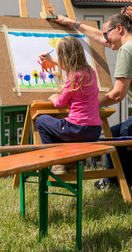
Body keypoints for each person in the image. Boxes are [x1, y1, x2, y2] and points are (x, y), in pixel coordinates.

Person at [52, 12, 132, 187]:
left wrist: (90, 104)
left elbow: (117, 95)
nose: (106, 39)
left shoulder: (127, 51)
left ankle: (116, 183)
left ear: (119, 29)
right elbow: (101, 37)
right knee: (116, 132)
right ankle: (116, 182)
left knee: (120, 134)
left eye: (108, 34)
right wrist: (72, 23)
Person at [35, 36, 102, 175]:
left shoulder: (74, 76)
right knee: (60, 125)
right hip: (94, 131)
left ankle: (56, 162)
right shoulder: (91, 72)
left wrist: (54, 97)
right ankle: (72, 164)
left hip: (77, 129)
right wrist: (51, 60)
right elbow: (70, 66)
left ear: (64, 57)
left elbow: (60, 103)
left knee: (41, 121)